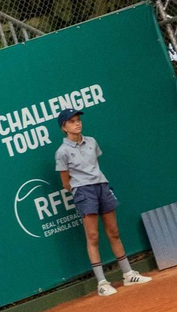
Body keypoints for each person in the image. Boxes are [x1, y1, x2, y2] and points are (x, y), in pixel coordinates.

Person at [52, 107, 152, 296]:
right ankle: (102, 283)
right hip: (83, 191)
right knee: (93, 236)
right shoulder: (62, 152)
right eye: (72, 121)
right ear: (64, 127)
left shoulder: (92, 142)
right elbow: (66, 182)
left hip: (102, 186)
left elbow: (94, 164)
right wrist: (81, 189)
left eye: (78, 120)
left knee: (113, 231)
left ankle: (128, 274)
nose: (77, 123)